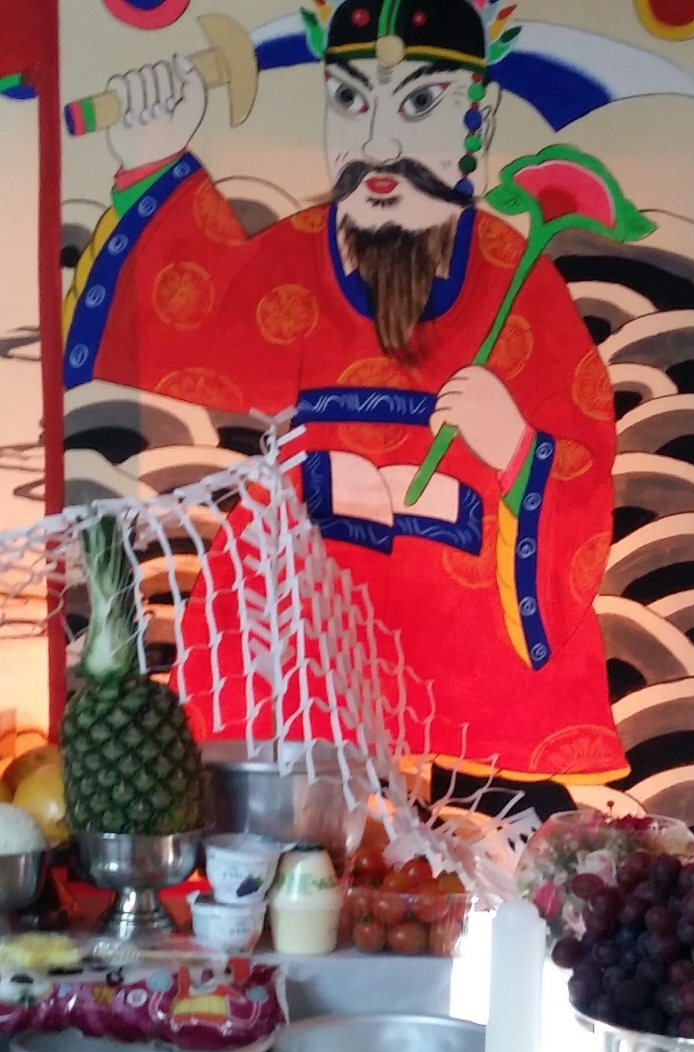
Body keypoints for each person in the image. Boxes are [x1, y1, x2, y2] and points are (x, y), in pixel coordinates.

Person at [63, 0, 633, 818]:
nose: (380, 146)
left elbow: (580, 467)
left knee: (486, 827)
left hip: (465, 639)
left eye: (420, 103)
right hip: (309, 622)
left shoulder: (519, 280)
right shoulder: (305, 251)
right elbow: (185, 325)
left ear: (479, 116)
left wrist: (515, 447)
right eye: (349, 100)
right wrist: (152, 164)